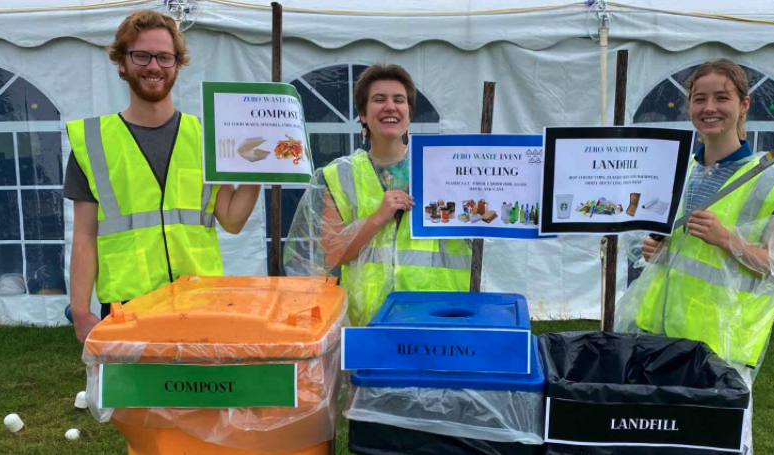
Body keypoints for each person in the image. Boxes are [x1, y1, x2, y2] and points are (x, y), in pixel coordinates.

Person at [617, 58, 774, 454]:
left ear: (744, 105)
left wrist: (727, 239)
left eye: (722, 97)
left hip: (721, 345)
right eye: (699, 99)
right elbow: (673, 248)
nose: (709, 107)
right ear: (690, 108)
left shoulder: (771, 181)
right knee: (659, 442)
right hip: (658, 334)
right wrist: (655, 250)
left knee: (717, 443)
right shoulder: (676, 170)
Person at [63, 10, 261, 343]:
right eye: (141, 55)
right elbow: (84, 235)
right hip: (127, 306)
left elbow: (231, 220)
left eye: (165, 57)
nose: (154, 66)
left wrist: (259, 169)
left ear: (177, 65)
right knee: (134, 397)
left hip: (200, 302)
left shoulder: (206, 137)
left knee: (197, 395)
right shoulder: (93, 142)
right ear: (122, 63)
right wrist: (80, 311)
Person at [283, 63, 471, 326]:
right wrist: (377, 218)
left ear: (409, 113)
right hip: (370, 320)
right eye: (379, 99)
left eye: (399, 100)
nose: (390, 107)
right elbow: (330, 254)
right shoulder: (337, 176)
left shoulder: (446, 168)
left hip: (442, 316)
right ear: (362, 113)